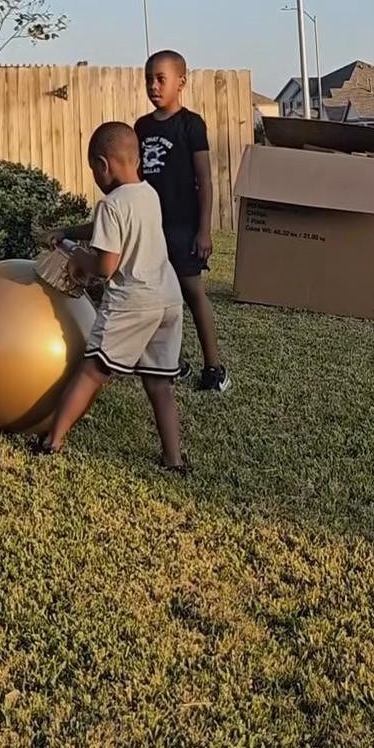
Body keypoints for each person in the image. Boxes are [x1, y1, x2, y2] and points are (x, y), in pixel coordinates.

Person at [37, 121, 188, 471]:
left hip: (134, 303)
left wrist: (77, 255)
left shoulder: (110, 205)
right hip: (167, 299)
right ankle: (174, 459)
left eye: (93, 170)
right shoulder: (148, 194)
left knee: (92, 371)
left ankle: (52, 441)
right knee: (160, 384)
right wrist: (69, 232)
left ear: (103, 165)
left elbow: (105, 267)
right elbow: (112, 227)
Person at [135, 50, 230, 393]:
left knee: (192, 293)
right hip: (152, 227)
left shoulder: (191, 124)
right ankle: (170, 363)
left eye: (160, 78)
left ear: (181, 82)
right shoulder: (142, 127)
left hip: (183, 226)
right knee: (157, 295)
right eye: (148, 78)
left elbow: (204, 179)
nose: (153, 85)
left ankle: (214, 367)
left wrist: (203, 230)